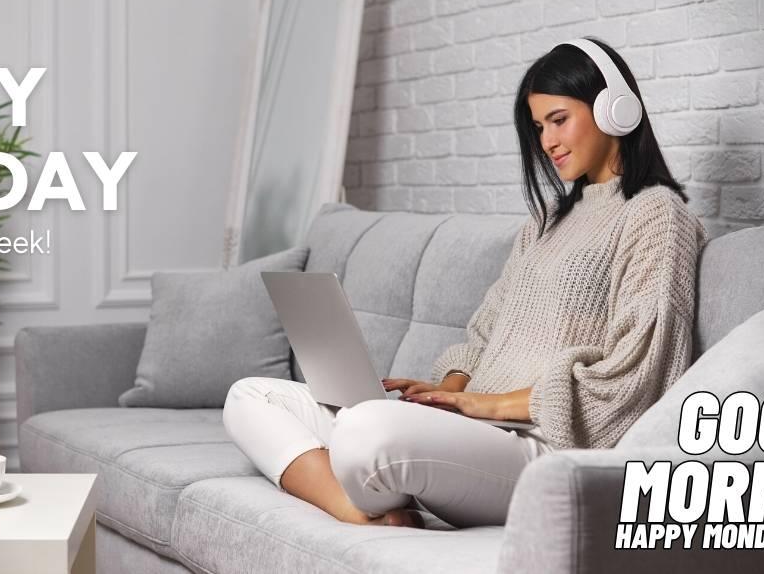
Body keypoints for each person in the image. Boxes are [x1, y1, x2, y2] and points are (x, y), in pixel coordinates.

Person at [222, 37, 707, 529]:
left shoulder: (656, 214)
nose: (547, 142)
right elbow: (484, 334)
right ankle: (361, 510)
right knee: (250, 397)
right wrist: (448, 393)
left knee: (365, 429)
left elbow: (637, 377)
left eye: (559, 119)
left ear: (615, 111)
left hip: (547, 447)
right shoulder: (545, 224)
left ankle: (372, 480)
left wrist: (485, 404)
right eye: (538, 127)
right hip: (476, 428)